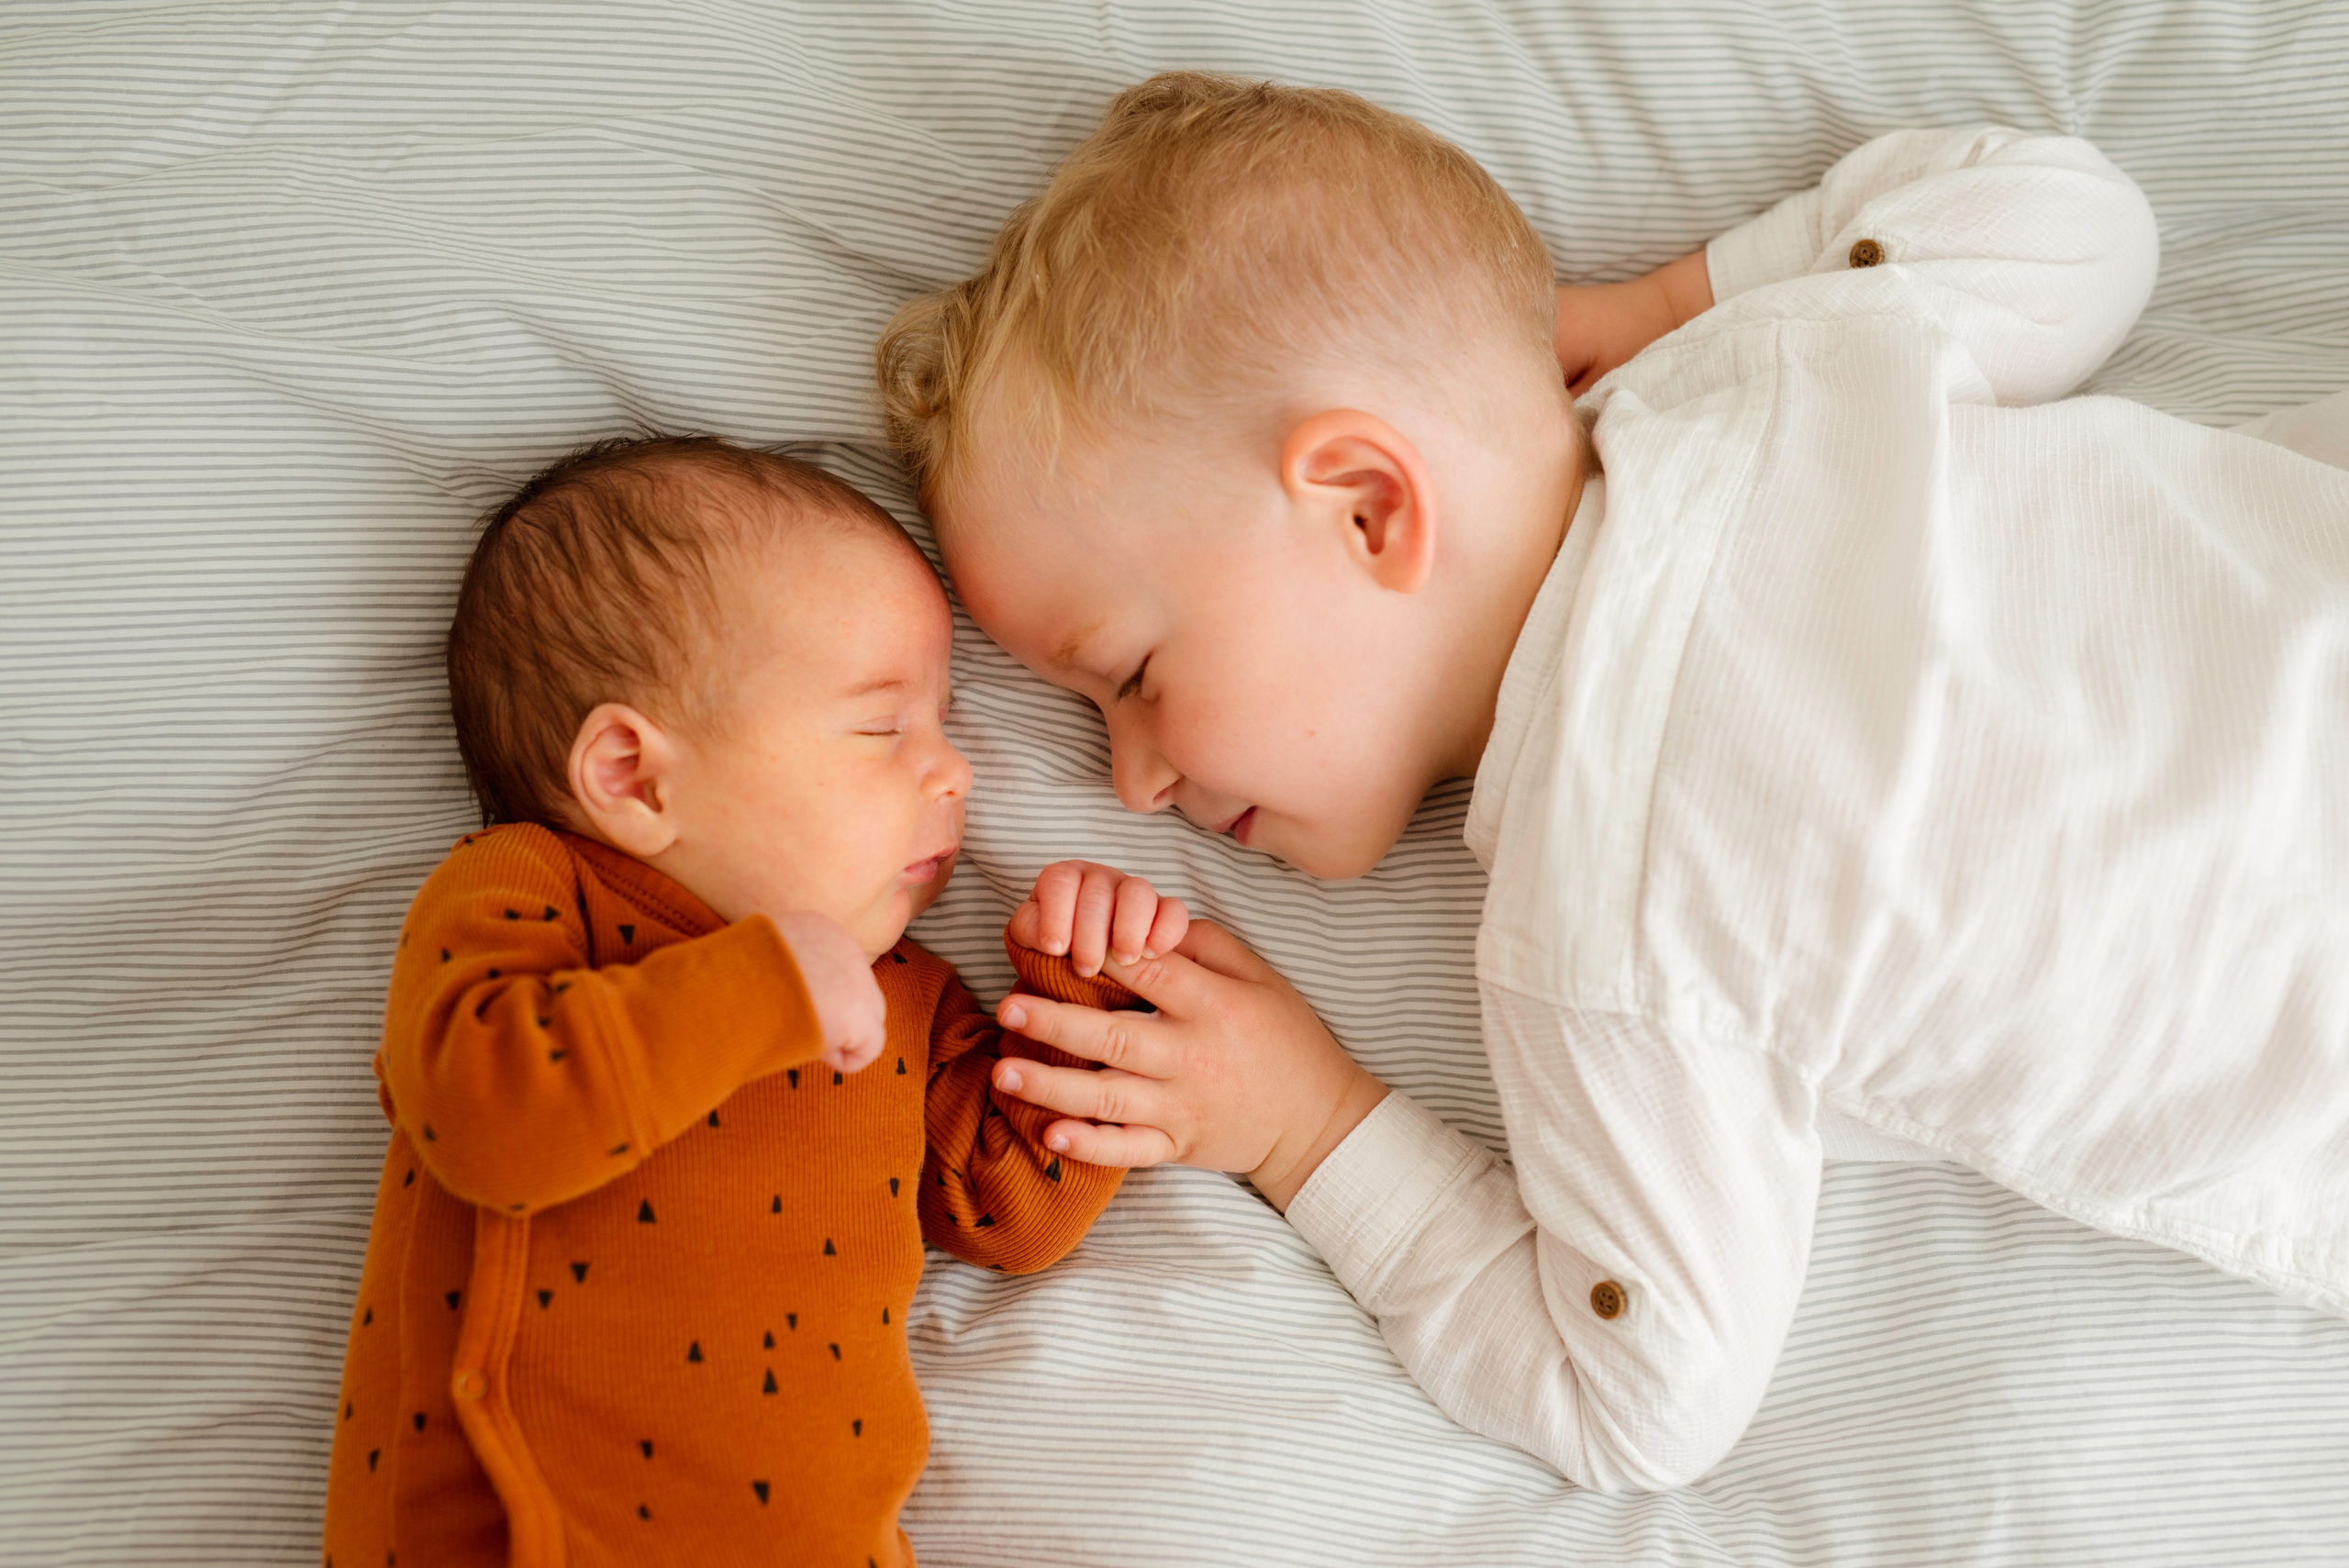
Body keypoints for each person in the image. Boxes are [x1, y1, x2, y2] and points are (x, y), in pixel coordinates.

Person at [874, 72, 2349, 1491]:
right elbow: (2078, 224)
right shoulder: (1757, 380)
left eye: (1129, 676)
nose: (1129, 783)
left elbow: (1639, 1395)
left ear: (1371, 506)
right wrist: (1667, 308)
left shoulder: (1606, 915)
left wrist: (1307, 1126)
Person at [321, 434, 1196, 1566]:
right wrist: (760, 985)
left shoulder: (902, 993)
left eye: (942, 722)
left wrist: (1083, 997)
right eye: (884, 726)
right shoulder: (533, 890)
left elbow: (1007, 1212)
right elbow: (484, 1119)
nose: (954, 770)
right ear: (634, 777)